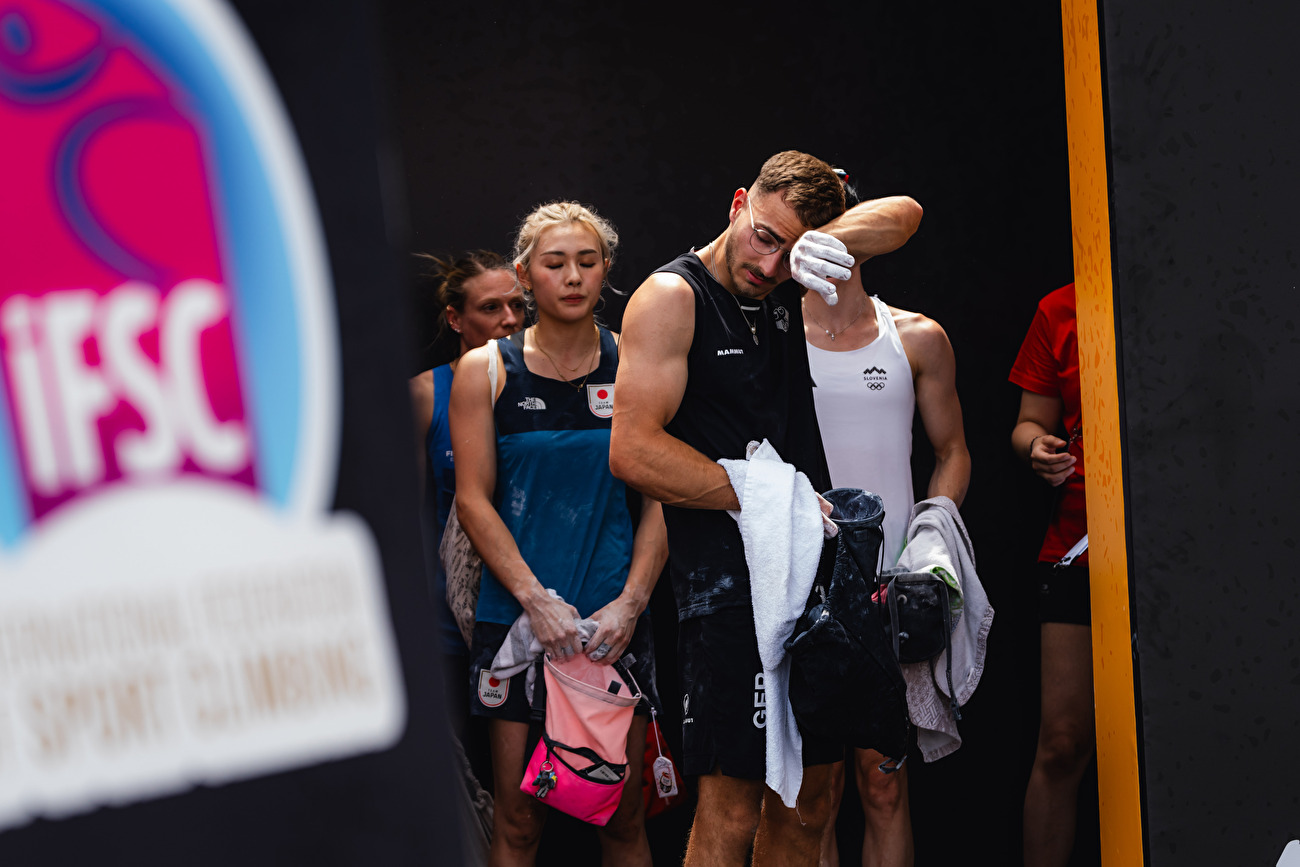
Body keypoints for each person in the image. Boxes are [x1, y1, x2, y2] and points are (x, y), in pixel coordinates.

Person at [609, 151, 923, 867]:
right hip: (726, 589)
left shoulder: (787, 281)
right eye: (765, 234)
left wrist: (824, 246)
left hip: (814, 578)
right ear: (736, 202)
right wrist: (764, 493)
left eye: (792, 249)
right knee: (731, 807)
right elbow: (632, 451)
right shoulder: (672, 296)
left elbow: (905, 214)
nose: (771, 260)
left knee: (813, 803)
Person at [449, 201, 668, 867]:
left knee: (623, 814)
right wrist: (535, 601)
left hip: (612, 625)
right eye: (554, 263)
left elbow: (663, 498)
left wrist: (630, 603)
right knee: (517, 821)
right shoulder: (485, 369)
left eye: (587, 260)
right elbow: (473, 501)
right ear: (524, 276)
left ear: (606, 270)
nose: (572, 276)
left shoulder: (636, 364)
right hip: (516, 622)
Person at [804, 177, 970, 867]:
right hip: (802, 587)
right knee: (812, 796)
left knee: (884, 788)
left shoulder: (916, 336)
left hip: (889, 591)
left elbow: (953, 452)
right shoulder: (773, 341)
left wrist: (933, 534)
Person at [409, 250, 525, 729]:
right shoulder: (424, 395)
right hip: (450, 630)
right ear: (456, 319)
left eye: (518, 306)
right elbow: (402, 519)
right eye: (491, 308)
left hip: (540, 618)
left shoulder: (552, 389)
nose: (510, 320)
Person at [1009, 283, 1092, 867]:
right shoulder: (1061, 308)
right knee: (1063, 742)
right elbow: (1029, 422)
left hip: (1190, 548)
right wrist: (1038, 447)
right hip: (1079, 546)